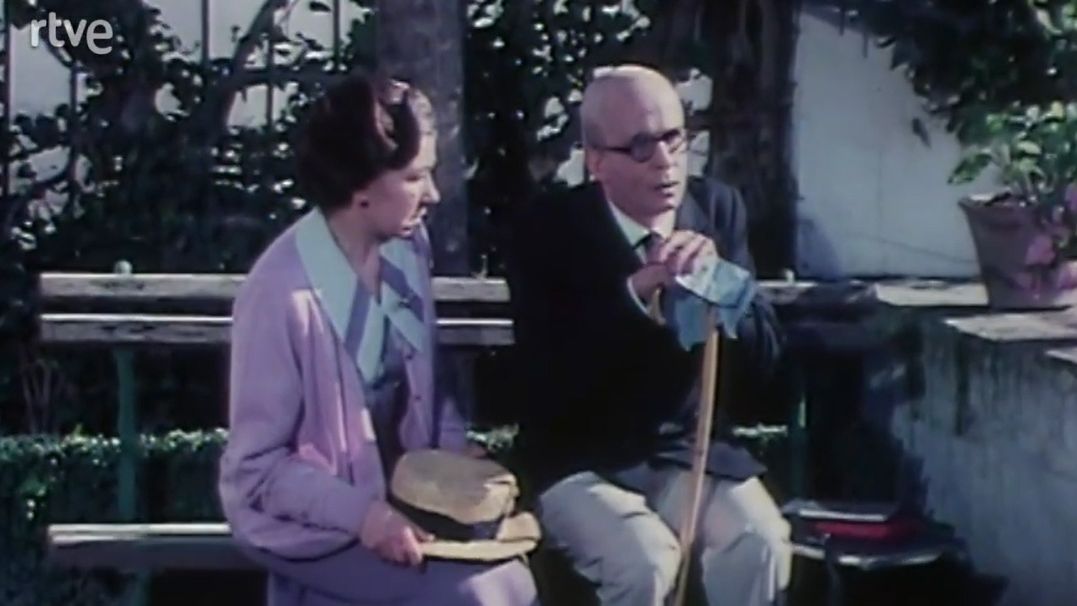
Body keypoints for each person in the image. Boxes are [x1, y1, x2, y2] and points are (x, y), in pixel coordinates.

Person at [218, 72, 540, 606]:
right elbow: (258, 471)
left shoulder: (406, 250)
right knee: (474, 596)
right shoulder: (280, 293)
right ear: (361, 186)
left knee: (515, 579)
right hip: (312, 523)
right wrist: (364, 516)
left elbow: (428, 391)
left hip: (404, 504)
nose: (433, 194)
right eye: (415, 177)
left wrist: (453, 452)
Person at [504, 64, 793, 606]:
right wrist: (635, 295)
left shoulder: (717, 210)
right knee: (646, 561)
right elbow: (546, 381)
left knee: (761, 540)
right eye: (640, 146)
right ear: (596, 162)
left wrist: (724, 289)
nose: (665, 161)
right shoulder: (546, 230)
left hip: (687, 451)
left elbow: (765, 369)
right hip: (581, 460)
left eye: (673, 138)